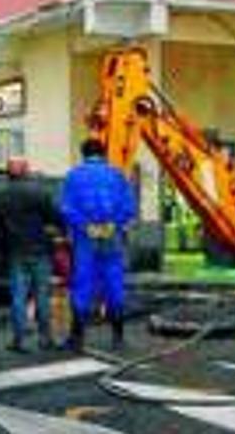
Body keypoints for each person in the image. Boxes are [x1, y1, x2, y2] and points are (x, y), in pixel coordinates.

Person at [60, 139, 137, 351]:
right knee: (114, 282)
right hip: (112, 236)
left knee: (82, 283)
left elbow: (66, 208)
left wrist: (85, 226)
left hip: (86, 238)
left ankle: (77, 338)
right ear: (104, 153)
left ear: (83, 154)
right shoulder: (117, 174)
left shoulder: (73, 176)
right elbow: (129, 206)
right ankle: (118, 338)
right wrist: (114, 224)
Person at [0, 157, 62, 353]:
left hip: (15, 252)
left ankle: (19, 340)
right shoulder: (40, 192)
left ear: (8, 172)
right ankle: (46, 339)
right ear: (27, 170)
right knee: (42, 296)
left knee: (18, 297)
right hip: (40, 249)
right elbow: (55, 218)